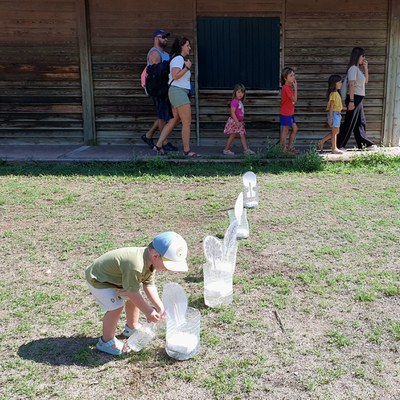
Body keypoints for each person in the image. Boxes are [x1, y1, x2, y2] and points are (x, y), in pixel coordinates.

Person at [85, 231, 188, 356]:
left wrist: (160, 306)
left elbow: (149, 285)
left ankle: (131, 327)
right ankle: (106, 342)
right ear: (156, 256)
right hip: (99, 279)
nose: (168, 269)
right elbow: (132, 291)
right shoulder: (136, 265)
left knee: (132, 299)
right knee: (116, 307)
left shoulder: (150, 262)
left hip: (118, 280)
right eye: (168, 265)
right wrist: (148, 311)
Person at [153, 37, 200, 157]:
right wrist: (187, 68)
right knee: (187, 122)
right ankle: (187, 150)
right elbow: (175, 75)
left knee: (173, 121)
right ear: (181, 46)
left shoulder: (179, 59)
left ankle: (158, 145)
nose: (189, 48)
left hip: (178, 92)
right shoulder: (178, 59)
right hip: (178, 92)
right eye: (188, 45)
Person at [141, 29, 177, 152]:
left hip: (166, 88)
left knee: (165, 115)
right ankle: (163, 142)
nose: (166, 39)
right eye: (163, 37)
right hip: (158, 89)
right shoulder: (154, 53)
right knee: (162, 116)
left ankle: (148, 135)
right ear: (156, 38)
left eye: (166, 37)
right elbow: (157, 72)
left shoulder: (165, 54)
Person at [336, 47, 376, 150]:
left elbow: (366, 82)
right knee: (349, 122)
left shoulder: (358, 69)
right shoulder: (353, 68)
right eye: (363, 56)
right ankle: (339, 145)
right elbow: (351, 84)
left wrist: (366, 68)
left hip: (359, 98)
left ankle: (364, 144)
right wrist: (352, 101)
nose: (364, 58)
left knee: (360, 122)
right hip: (354, 98)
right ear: (357, 56)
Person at [222, 83, 255, 156]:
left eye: (242, 92)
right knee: (232, 135)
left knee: (242, 135)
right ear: (235, 92)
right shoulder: (234, 101)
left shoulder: (240, 101)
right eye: (239, 92)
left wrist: (241, 122)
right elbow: (232, 112)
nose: (240, 94)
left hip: (240, 122)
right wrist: (236, 122)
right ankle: (226, 149)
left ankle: (246, 150)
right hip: (234, 122)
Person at [319, 75, 345, 154]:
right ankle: (334, 148)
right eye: (339, 82)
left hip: (337, 114)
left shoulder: (336, 93)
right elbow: (331, 106)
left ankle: (322, 141)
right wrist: (330, 118)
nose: (341, 84)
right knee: (334, 132)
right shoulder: (333, 94)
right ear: (334, 83)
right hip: (334, 114)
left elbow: (338, 106)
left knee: (336, 132)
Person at [280, 67, 299, 153]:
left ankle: (290, 147)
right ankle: (284, 149)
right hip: (286, 113)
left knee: (295, 129)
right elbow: (294, 100)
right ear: (285, 78)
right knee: (285, 130)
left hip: (290, 113)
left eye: (293, 75)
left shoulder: (288, 88)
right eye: (291, 76)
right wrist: (296, 88)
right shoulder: (286, 88)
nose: (293, 77)